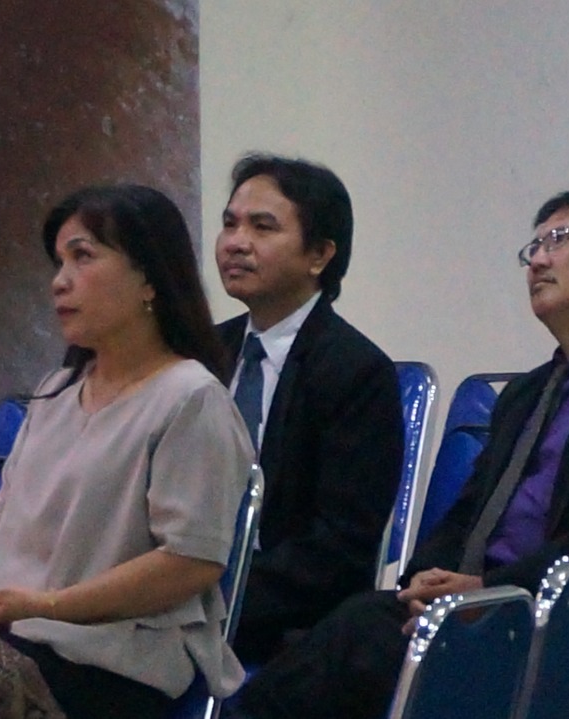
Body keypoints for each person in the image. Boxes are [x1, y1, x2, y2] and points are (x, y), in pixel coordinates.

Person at [226, 188, 569, 719]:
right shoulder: (527, 393)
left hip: (566, 627)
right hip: (476, 608)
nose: (538, 260)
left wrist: (491, 591)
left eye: (559, 240)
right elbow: (468, 514)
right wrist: (423, 582)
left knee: (353, 647)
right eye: (533, 248)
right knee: (355, 625)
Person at [0, 185, 254, 719]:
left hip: (111, 666)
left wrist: (47, 606)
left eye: (83, 257)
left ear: (150, 278)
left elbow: (190, 563)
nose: (60, 281)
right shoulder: (56, 391)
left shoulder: (191, 398)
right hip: (8, 641)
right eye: (59, 262)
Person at [214, 154, 403, 663]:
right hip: (176, 600)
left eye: (262, 227)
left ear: (319, 255)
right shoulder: (202, 354)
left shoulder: (356, 372)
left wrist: (217, 598)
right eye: (230, 223)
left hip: (282, 622)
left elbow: (339, 550)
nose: (235, 242)